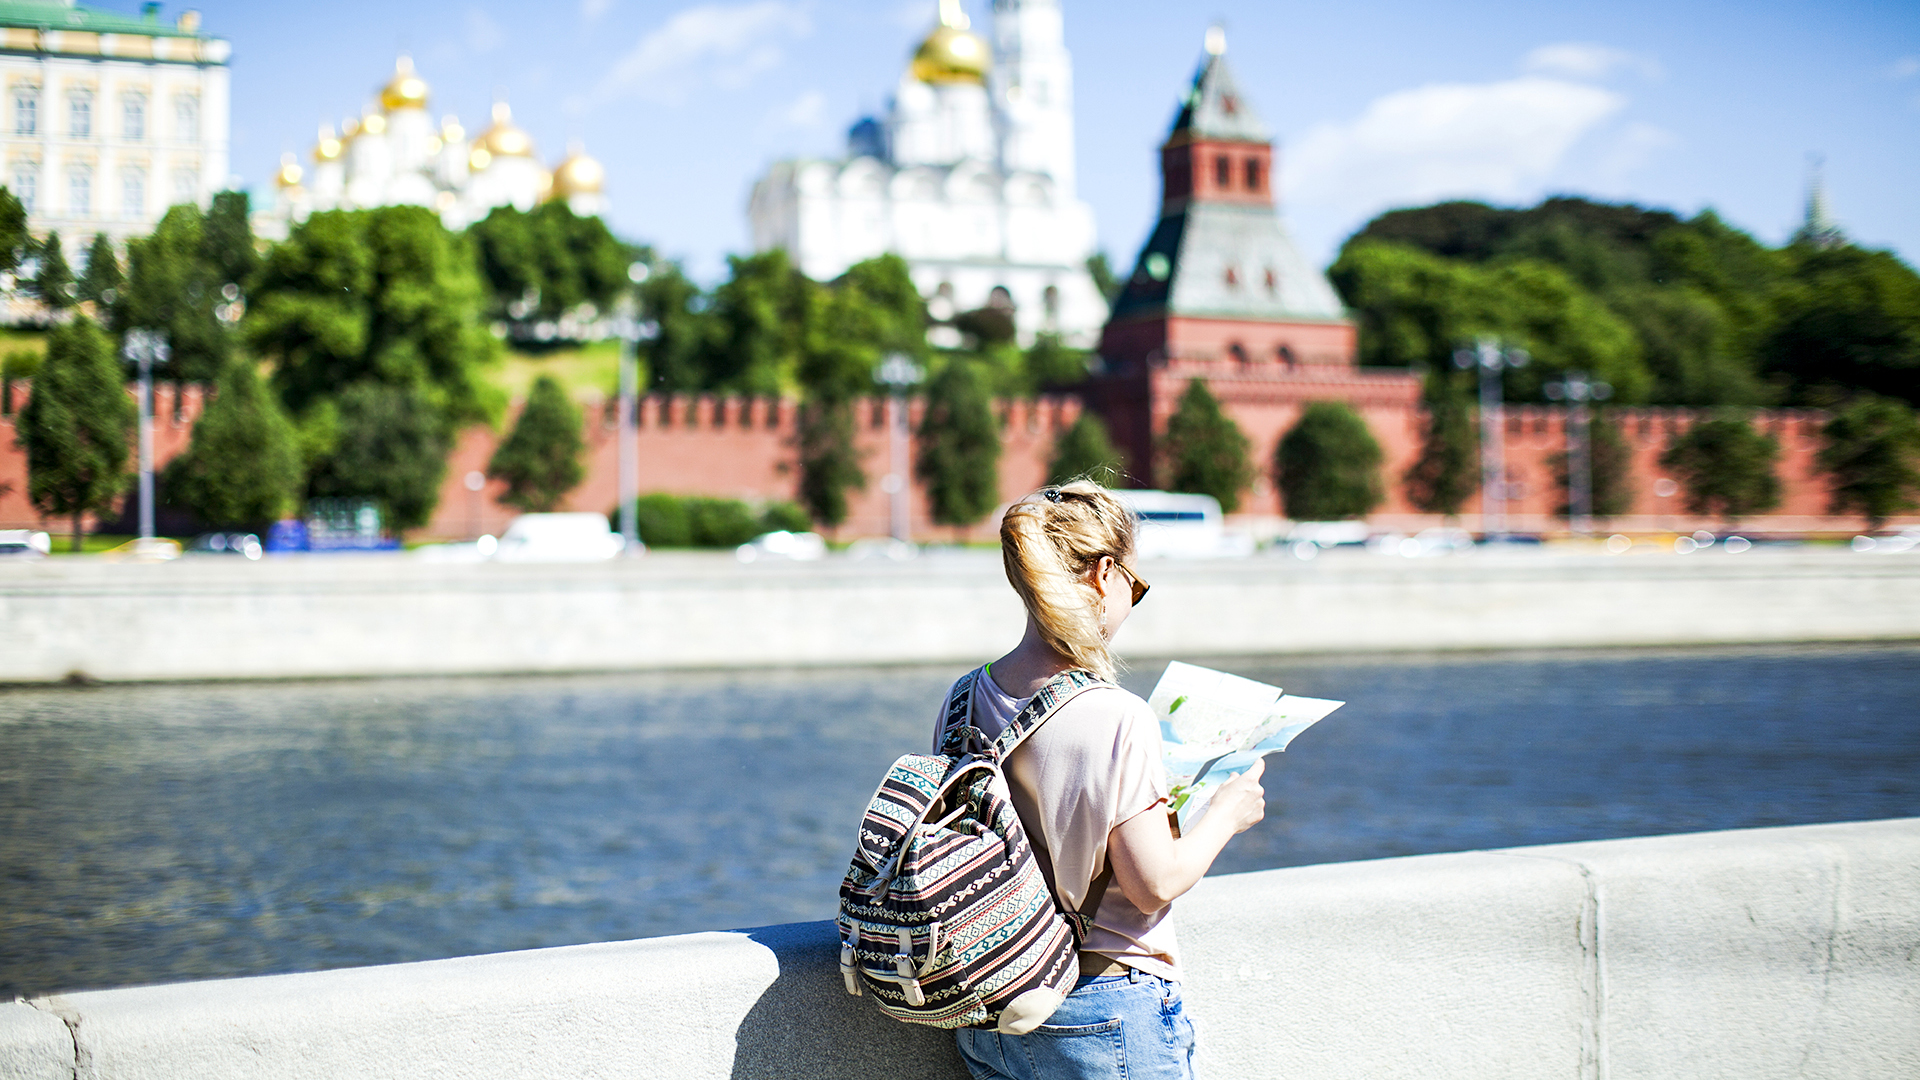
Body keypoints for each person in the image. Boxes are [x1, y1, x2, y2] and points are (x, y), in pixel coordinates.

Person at [941, 479, 1269, 1080]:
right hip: (1101, 1005)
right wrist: (1228, 810)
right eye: (1135, 588)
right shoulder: (1118, 714)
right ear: (1104, 575)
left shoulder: (964, 698)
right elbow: (1153, 884)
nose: (1131, 603)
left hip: (988, 1010)